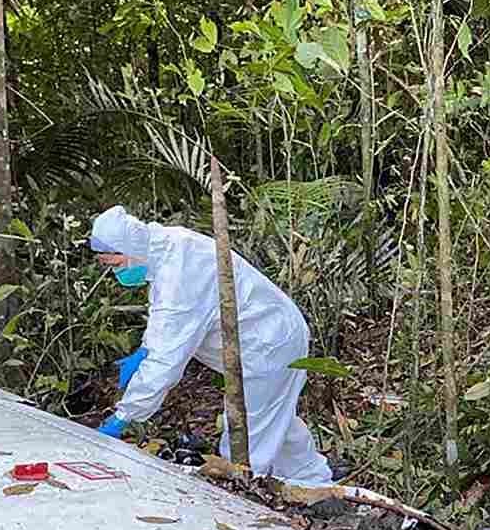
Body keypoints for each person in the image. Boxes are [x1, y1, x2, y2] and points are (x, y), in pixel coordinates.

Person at [89, 205, 333, 484]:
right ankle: (314, 480)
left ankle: (246, 496)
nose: (116, 274)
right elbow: (164, 321)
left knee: (247, 429)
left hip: (267, 344)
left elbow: (166, 360)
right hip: (271, 333)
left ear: (130, 247)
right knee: (275, 417)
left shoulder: (178, 271)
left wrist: (125, 415)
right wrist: (144, 351)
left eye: (117, 265)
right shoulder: (165, 248)